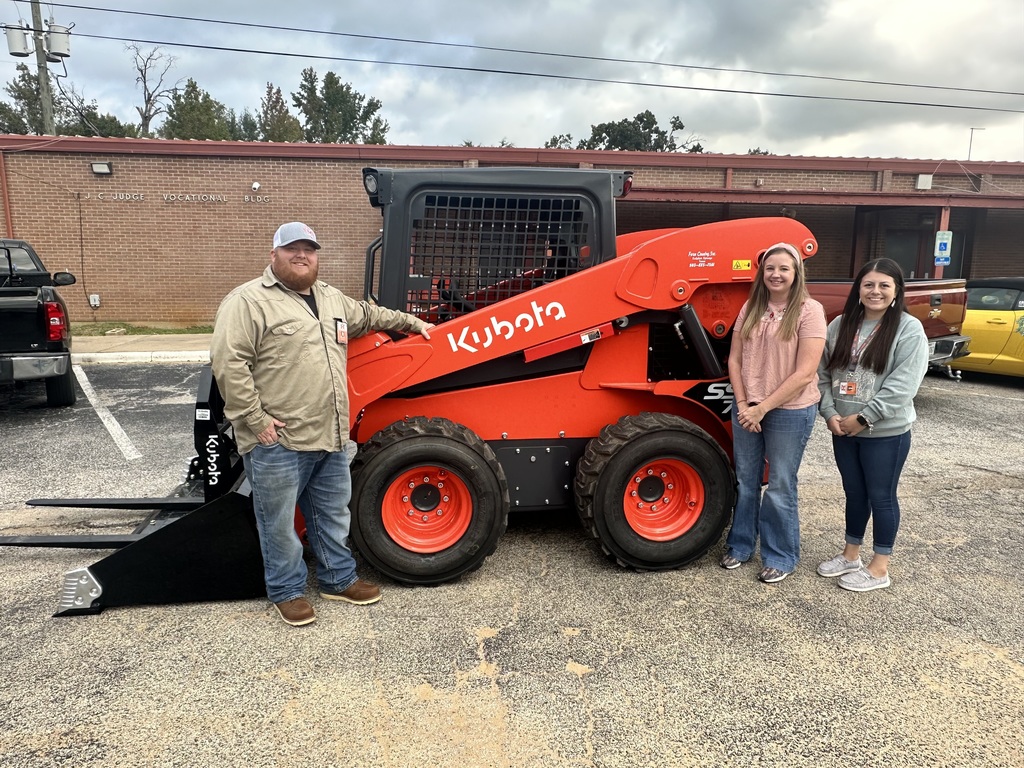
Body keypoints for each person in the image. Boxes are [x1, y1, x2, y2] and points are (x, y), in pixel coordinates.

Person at [210, 221, 433, 626]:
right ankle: (287, 591)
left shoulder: (331, 298)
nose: (302, 255)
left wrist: (413, 323)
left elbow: (369, 315)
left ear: (316, 256)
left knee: (332, 515)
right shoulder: (248, 301)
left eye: (309, 249)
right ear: (273, 254)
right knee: (277, 524)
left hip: (329, 434)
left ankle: (338, 579)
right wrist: (255, 420)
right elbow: (229, 364)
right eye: (292, 248)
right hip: (278, 440)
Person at [816, 258, 928, 592]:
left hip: (884, 433)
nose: (875, 291)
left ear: (896, 291)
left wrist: (865, 418)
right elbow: (822, 373)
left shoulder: (908, 329)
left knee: (881, 496)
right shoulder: (840, 325)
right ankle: (851, 555)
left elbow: (904, 385)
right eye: (868, 284)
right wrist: (830, 412)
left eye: (884, 285)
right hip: (844, 428)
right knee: (855, 493)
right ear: (859, 289)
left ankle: (879, 568)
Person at [720, 242, 827, 584]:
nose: (776, 274)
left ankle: (781, 555)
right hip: (748, 408)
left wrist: (763, 407)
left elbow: (805, 373)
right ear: (761, 273)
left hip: (789, 411)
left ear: (796, 273)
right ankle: (740, 547)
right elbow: (734, 359)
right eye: (770, 268)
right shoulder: (752, 307)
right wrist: (742, 405)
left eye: (784, 268)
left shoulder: (810, 311)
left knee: (780, 483)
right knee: (746, 481)